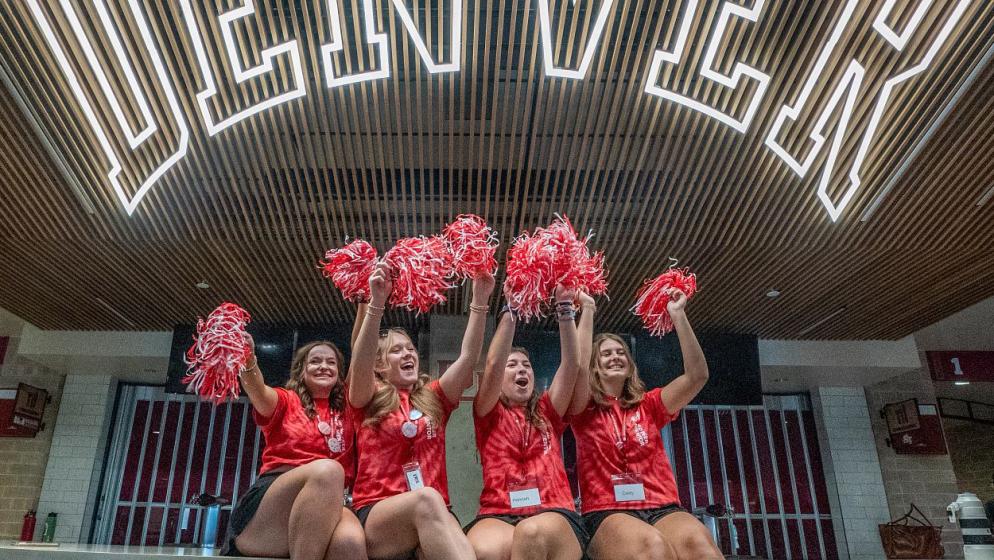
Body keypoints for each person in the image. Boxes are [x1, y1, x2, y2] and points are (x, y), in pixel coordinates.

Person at [349, 261, 494, 559]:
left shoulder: (433, 397)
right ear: (379, 365)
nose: (408, 353)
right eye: (396, 350)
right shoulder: (367, 396)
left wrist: (480, 301)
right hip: (380, 512)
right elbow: (359, 360)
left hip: (433, 514)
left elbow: (468, 359)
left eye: (411, 349)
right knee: (427, 499)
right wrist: (377, 304)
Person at [569, 288, 723, 560]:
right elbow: (577, 370)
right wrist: (588, 310)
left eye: (620, 352)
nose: (615, 356)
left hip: (662, 505)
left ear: (629, 365)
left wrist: (678, 316)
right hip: (609, 509)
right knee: (652, 547)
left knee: (701, 545)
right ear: (595, 366)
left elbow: (697, 376)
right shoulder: (583, 408)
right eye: (606, 354)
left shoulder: (650, 404)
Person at [466, 286, 587, 560]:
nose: (521, 369)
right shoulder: (487, 411)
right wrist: (512, 308)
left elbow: (571, 365)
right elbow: (494, 361)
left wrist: (565, 308)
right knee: (476, 551)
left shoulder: (547, 409)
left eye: (526, 365)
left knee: (530, 533)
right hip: (499, 511)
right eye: (513, 366)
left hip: (553, 509)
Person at [223, 338, 365, 560]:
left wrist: (368, 304)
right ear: (301, 371)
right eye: (315, 361)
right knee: (329, 470)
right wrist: (247, 358)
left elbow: (361, 352)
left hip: (331, 504)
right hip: (272, 505)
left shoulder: (348, 408)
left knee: (350, 542)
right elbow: (257, 391)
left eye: (331, 362)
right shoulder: (286, 400)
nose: (324, 366)